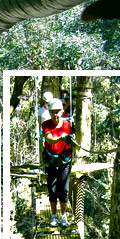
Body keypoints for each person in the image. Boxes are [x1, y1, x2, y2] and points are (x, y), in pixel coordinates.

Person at [42, 98, 75, 228]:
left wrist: (72, 139)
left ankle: (63, 216)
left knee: (64, 190)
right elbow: (49, 139)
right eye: (53, 112)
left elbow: (73, 144)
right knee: (52, 190)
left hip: (64, 161)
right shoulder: (45, 124)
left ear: (62, 112)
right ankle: (54, 216)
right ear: (49, 112)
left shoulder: (68, 125)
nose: (55, 115)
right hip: (51, 162)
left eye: (57, 112)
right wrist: (61, 137)